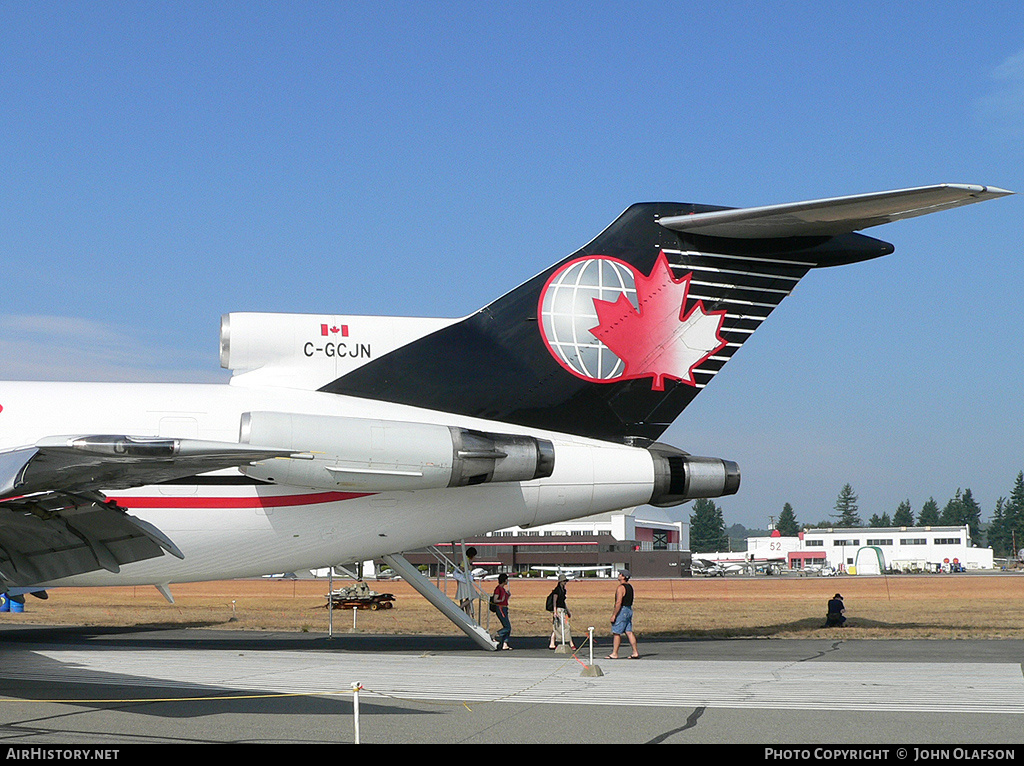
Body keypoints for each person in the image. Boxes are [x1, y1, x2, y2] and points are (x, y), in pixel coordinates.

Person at [607, 569, 639, 659]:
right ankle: (635, 652)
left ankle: (614, 653)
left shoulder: (621, 588)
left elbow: (619, 602)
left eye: (620, 574)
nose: (619, 575)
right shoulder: (630, 587)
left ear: (623, 577)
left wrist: (614, 615)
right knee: (629, 631)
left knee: (616, 632)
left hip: (623, 610)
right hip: (629, 609)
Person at [548, 574, 575, 650]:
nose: (565, 582)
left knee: (557, 626)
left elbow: (563, 602)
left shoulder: (563, 590)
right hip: (559, 610)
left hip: (563, 610)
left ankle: (552, 643)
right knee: (565, 626)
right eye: (564, 581)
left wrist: (568, 611)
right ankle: (570, 643)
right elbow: (554, 601)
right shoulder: (557, 590)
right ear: (560, 581)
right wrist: (555, 611)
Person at [453, 547, 478, 615]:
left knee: (469, 597)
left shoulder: (467, 560)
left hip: (466, 580)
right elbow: (461, 568)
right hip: (465, 581)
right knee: (472, 596)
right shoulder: (465, 560)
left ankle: (467, 613)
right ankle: (460, 607)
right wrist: (468, 569)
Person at [492, 573, 512, 650]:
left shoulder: (503, 589)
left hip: (504, 608)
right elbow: (495, 600)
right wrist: (501, 600)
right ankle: (495, 635)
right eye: (506, 579)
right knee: (507, 627)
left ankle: (505, 644)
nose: (507, 581)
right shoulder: (498, 589)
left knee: (507, 626)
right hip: (500, 608)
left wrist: (508, 596)